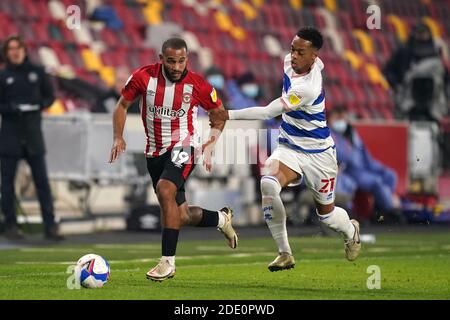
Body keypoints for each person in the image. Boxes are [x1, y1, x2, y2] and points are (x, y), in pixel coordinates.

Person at [211, 27, 361, 271]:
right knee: (268, 184)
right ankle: (284, 253)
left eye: (301, 52)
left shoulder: (308, 88)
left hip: (318, 155)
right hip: (289, 146)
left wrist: (227, 114)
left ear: (314, 56)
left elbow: (270, 111)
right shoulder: (291, 62)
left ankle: (351, 231)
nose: (293, 56)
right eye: (292, 49)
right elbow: (313, 65)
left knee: (327, 216)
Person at [109, 37, 238, 282]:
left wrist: (210, 143)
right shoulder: (142, 77)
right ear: (161, 59)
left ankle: (167, 263)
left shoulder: (198, 85)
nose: (177, 67)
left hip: (184, 145)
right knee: (181, 215)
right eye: (171, 61)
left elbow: (219, 115)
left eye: (181, 61)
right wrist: (118, 137)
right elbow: (122, 106)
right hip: (154, 152)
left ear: (187, 59)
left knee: (165, 189)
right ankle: (221, 219)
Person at [0, 35, 63, 241]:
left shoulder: (37, 72)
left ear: (24, 50)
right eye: (11, 49)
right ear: (7, 53)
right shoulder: (3, 75)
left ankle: (50, 226)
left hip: (33, 135)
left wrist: (39, 105)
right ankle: (10, 225)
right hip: (10, 135)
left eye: (18, 47)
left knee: (42, 182)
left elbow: (50, 96)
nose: (15, 52)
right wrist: (11, 108)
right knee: (7, 183)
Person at [328, 106, 402, 222]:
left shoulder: (353, 134)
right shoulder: (330, 135)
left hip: (363, 169)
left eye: (343, 117)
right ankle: (389, 210)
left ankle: (384, 209)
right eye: (337, 118)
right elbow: (342, 158)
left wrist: (382, 169)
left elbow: (367, 158)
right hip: (351, 171)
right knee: (376, 181)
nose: (341, 121)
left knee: (390, 175)